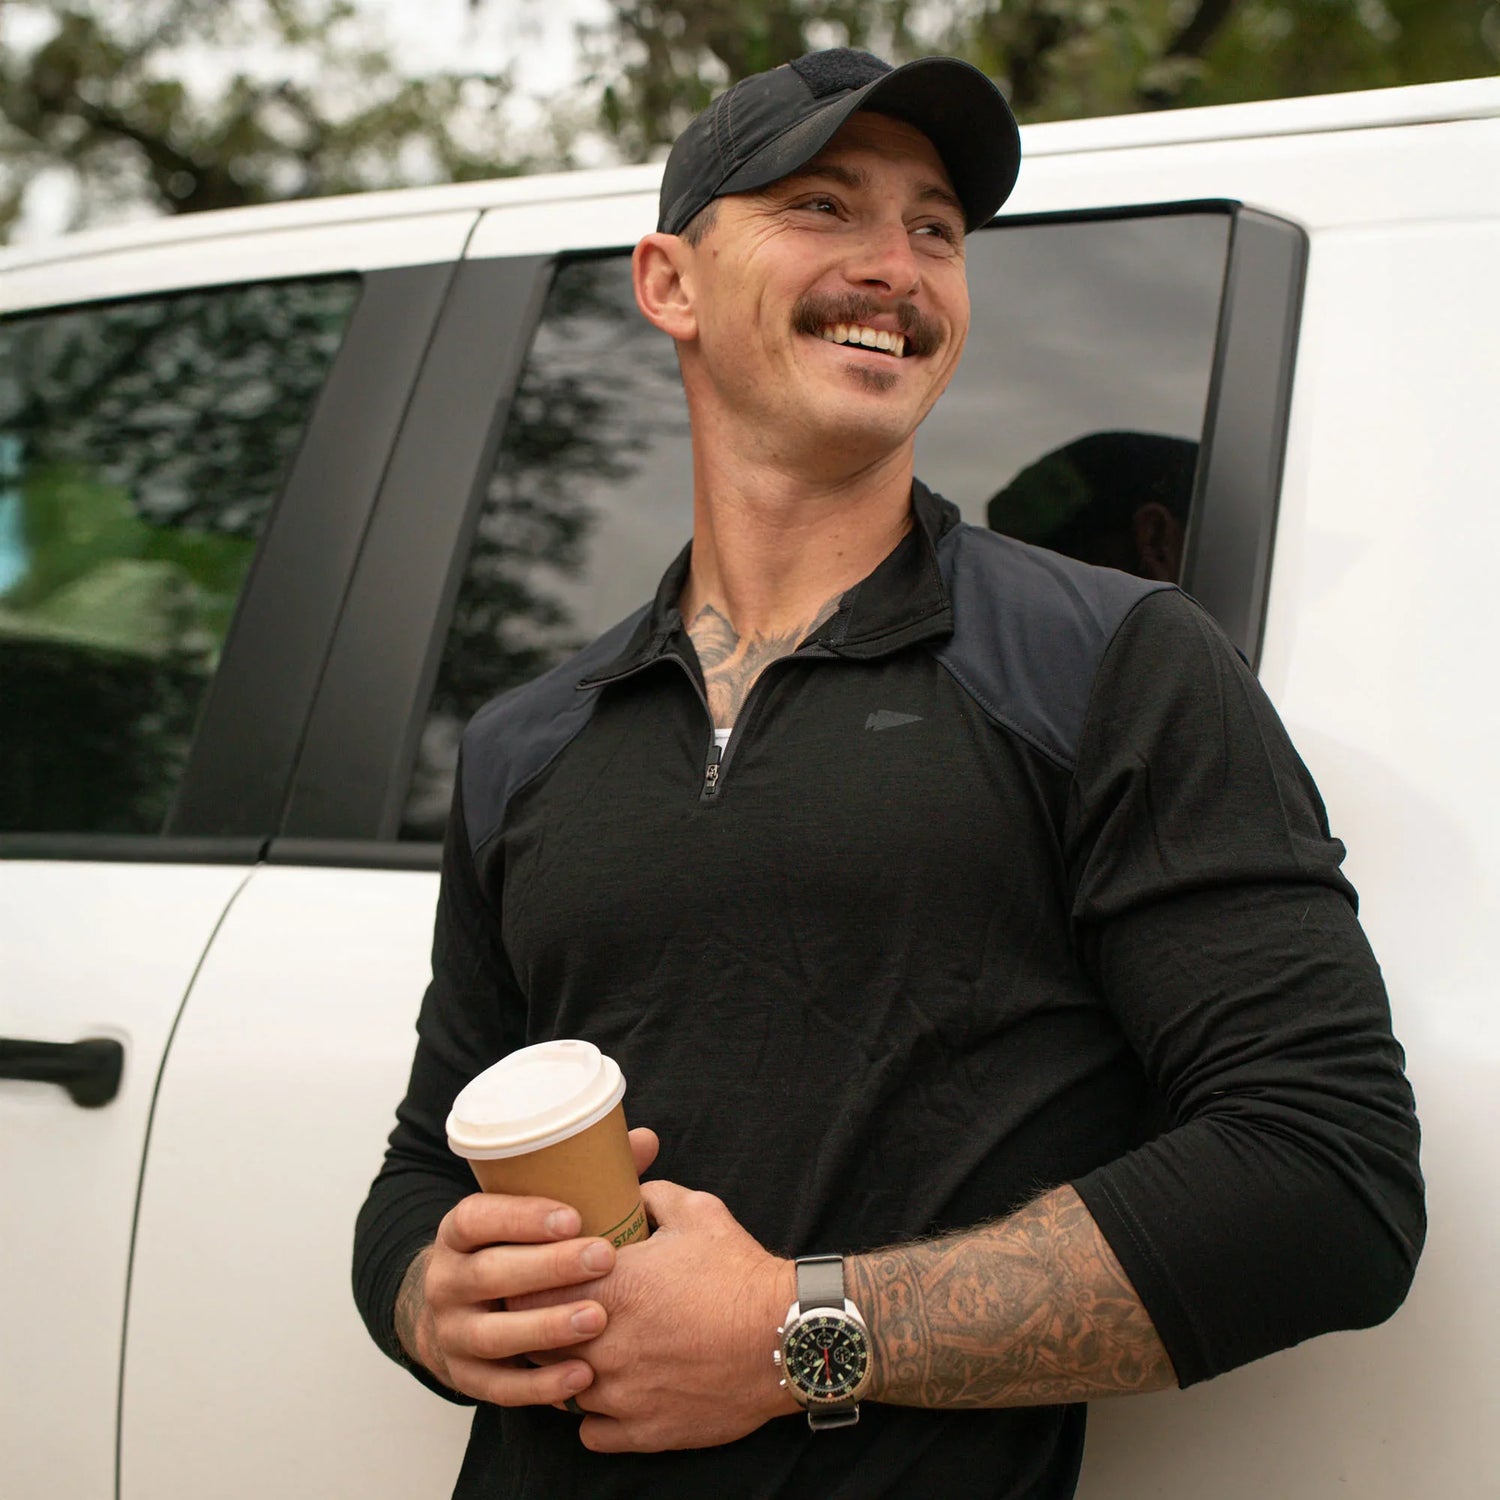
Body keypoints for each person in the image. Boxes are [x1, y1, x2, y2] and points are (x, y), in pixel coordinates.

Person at [353, 47, 1424, 1500]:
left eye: (936, 229)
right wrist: (437, 1299)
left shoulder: (1112, 666)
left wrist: (799, 1338)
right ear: (668, 282)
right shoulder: (529, 739)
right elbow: (420, 1176)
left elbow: (1325, 1182)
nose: (896, 268)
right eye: (823, 206)